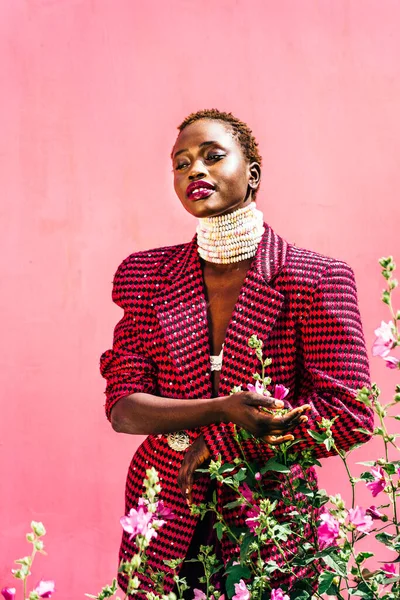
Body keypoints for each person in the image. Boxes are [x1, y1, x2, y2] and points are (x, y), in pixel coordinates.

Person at [100, 109, 374, 597]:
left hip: (272, 529)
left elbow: (349, 415)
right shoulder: (145, 277)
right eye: (181, 164)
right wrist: (224, 413)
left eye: (212, 156)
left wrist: (227, 443)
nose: (194, 171)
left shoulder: (312, 279)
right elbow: (124, 409)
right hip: (165, 524)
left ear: (252, 174)